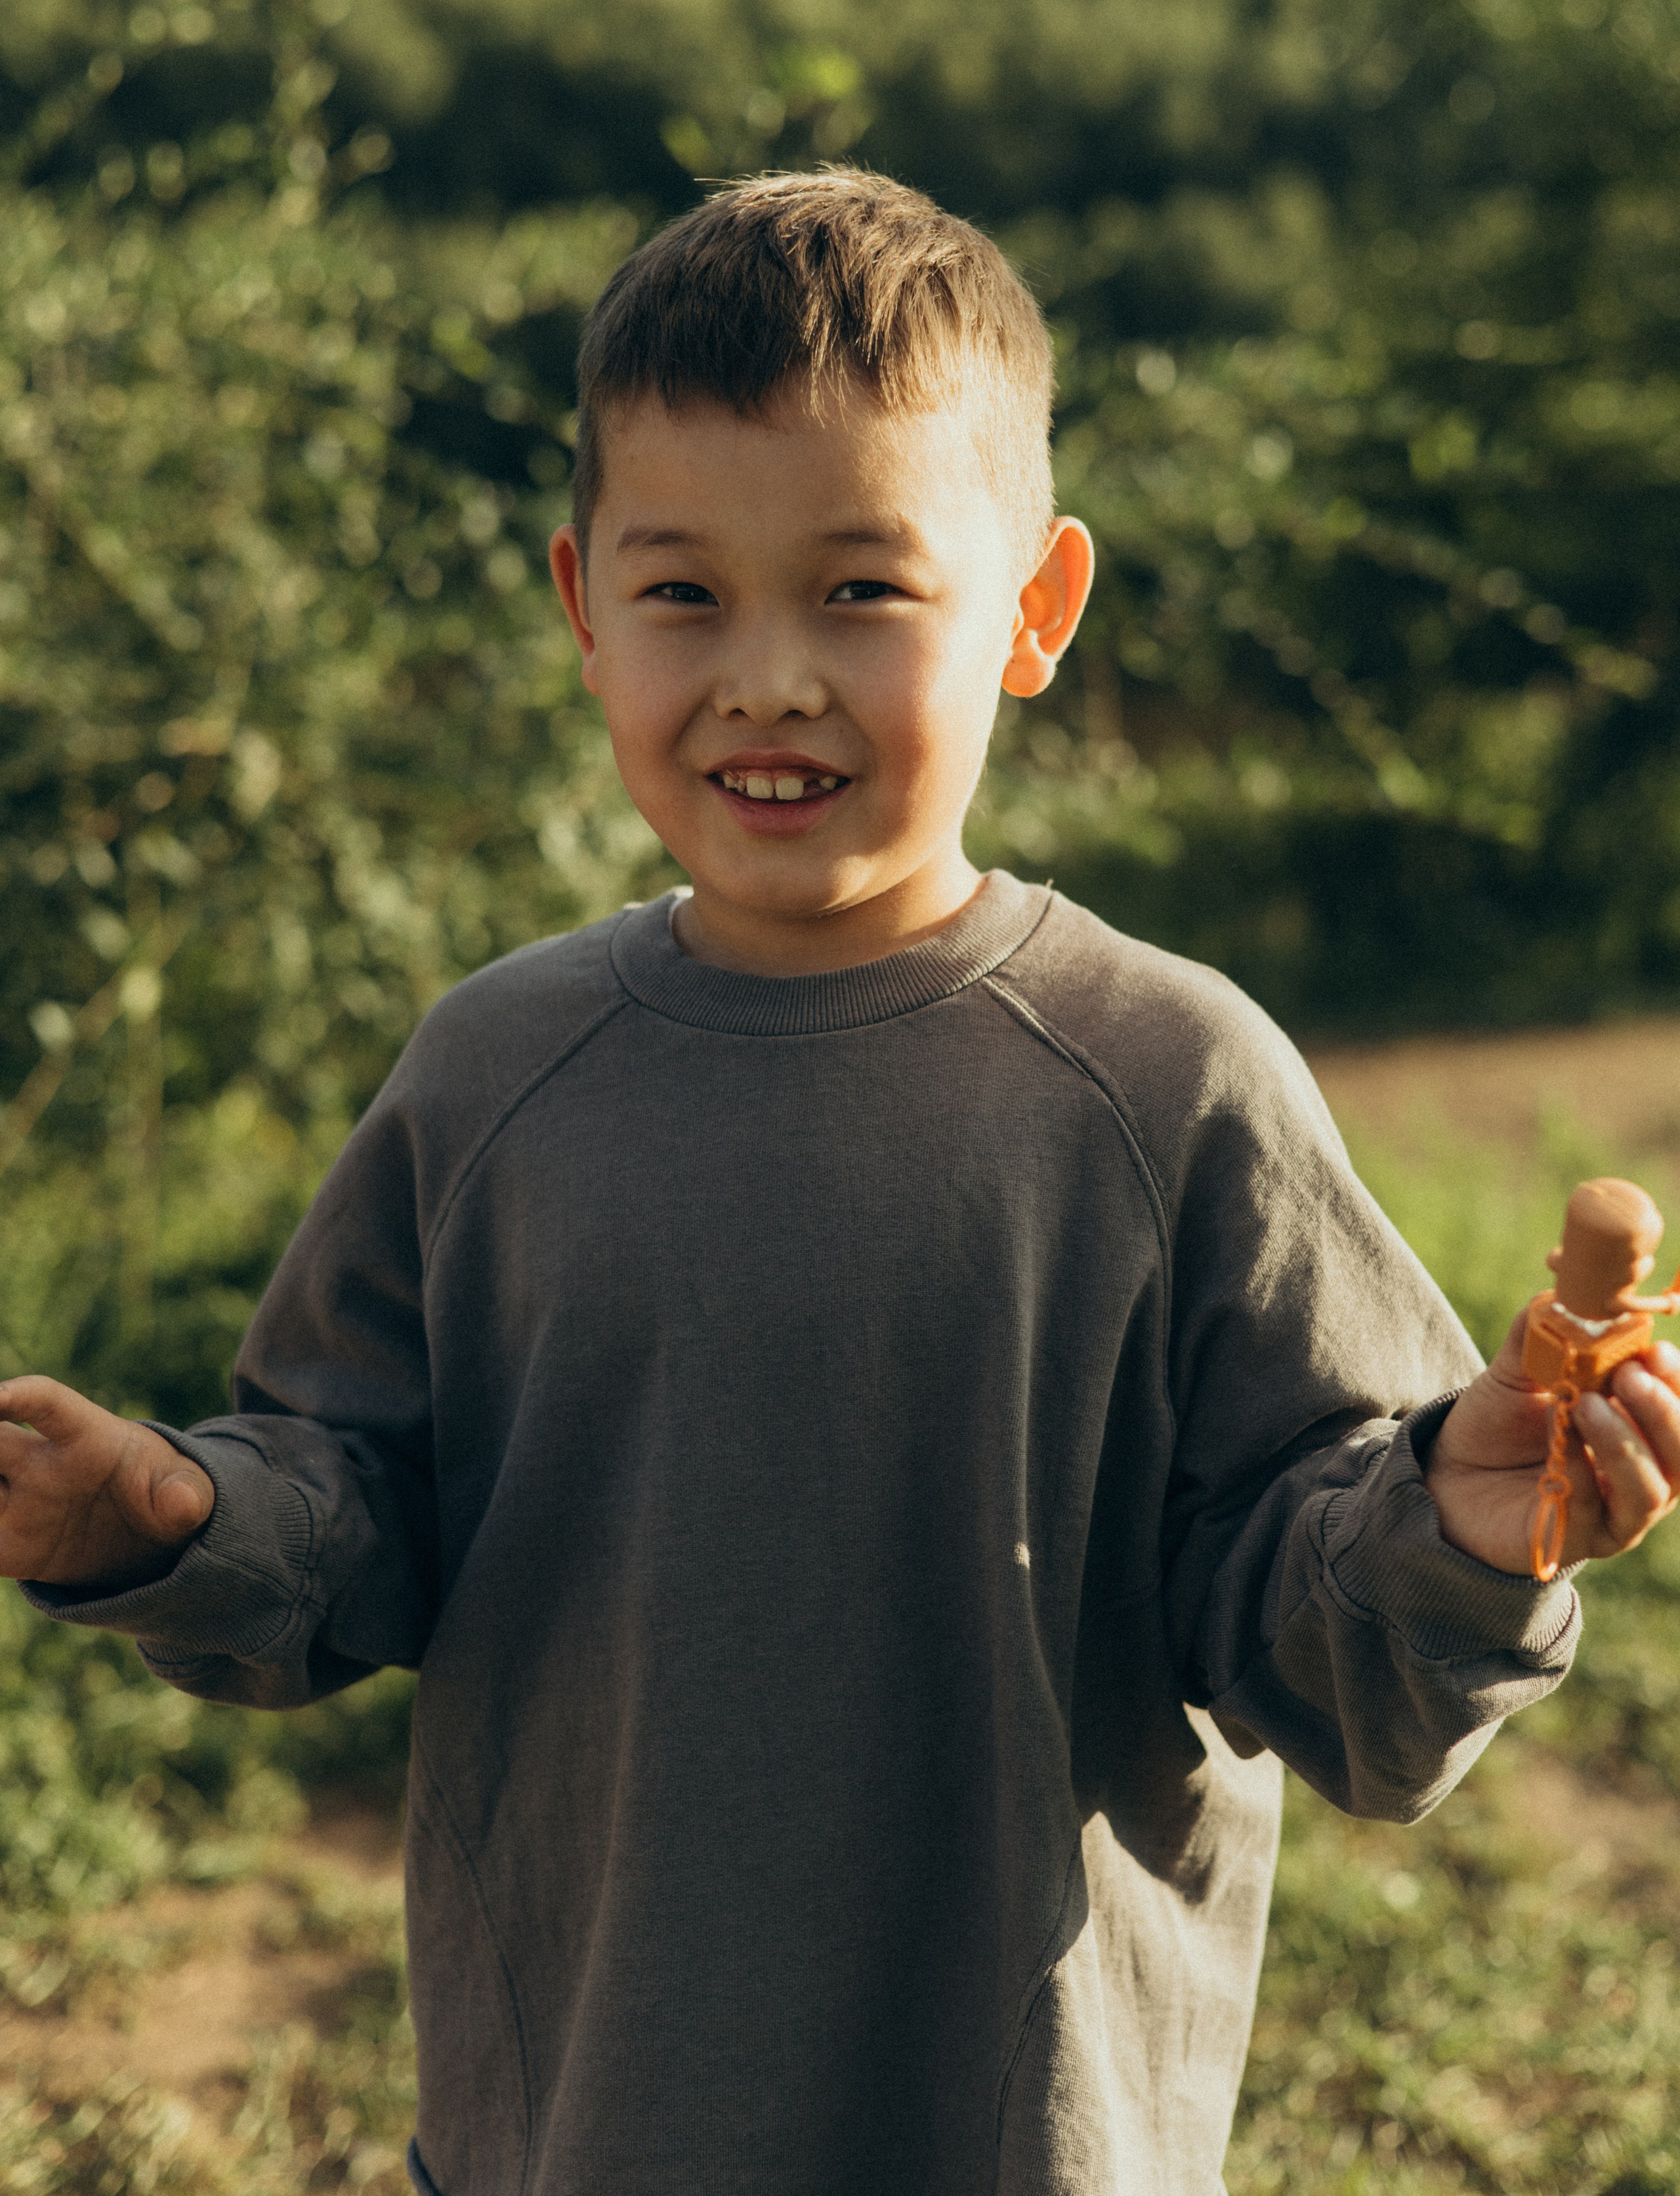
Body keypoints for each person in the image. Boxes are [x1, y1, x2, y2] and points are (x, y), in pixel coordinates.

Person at [2, 170, 1677, 2196]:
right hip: (579, 2132)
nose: (769, 678)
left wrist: (1459, 1530)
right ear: (581, 606)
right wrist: (165, 1514)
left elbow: (1328, 1651)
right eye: (687, 591)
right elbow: (356, 1514)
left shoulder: (1167, 1082)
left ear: (1038, 612)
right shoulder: (497, 1074)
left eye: (865, 589)